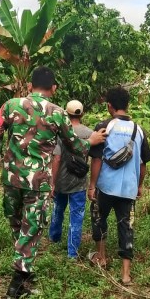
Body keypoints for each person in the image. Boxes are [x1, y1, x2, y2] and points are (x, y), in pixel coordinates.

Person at [0, 67, 106, 299]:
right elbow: (75, 147)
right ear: (54, 88)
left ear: (30, 86)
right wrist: (91, 141)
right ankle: (16, 285)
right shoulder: (58, 113)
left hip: (12, 179)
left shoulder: (10, 105)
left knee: (18, 227)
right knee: (31, 229)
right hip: (38, 182)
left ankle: (24, 272)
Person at [87, 86, 150, 285]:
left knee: (99, 217)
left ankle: (102, 257)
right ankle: (125, 275)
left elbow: (97, 160)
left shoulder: (105, 126)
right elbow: (143, 165)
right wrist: (139, 187)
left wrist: (92, 185)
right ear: (127, 105)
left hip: (106, 186)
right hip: (129, 189)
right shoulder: (138, 130)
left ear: (109, 106)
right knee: (126, 226)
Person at [48, 100, 93, 260]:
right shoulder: (89, 133)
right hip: (79, 182)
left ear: (66, 114)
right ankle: (72, 253)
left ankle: (54, 238)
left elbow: (57, 158)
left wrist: (52, 182)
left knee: (57, 210)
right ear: (82, 114)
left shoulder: (61, 133)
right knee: (77, 217)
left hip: (61, 180)